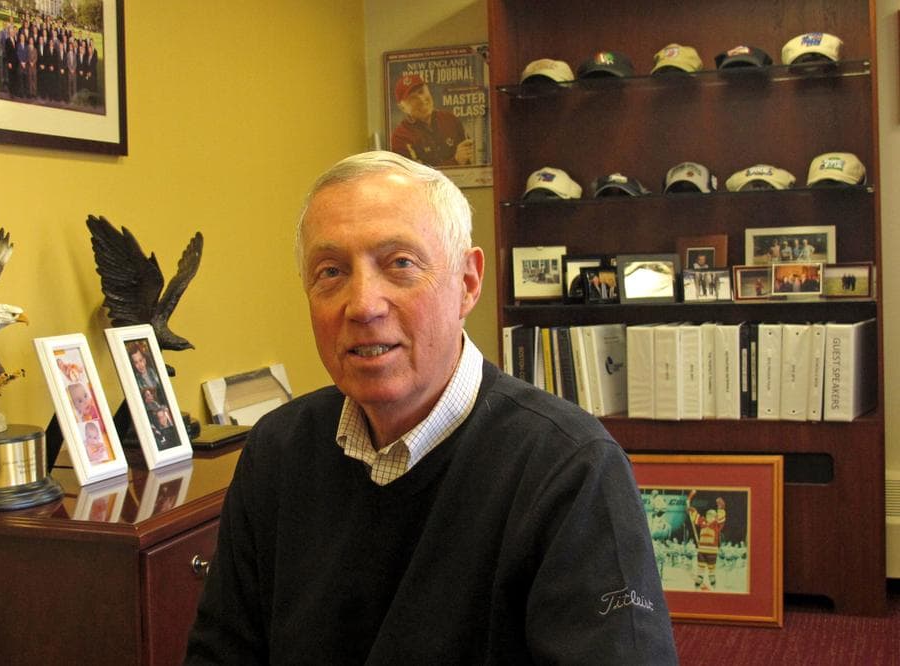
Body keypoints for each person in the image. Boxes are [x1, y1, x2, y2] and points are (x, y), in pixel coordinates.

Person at [186, 151, 677, 664]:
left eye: (400, 263)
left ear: (467, 283)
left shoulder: (571, 468)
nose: (363, 305)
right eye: (331, 271)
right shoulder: (277, 449)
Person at [389, 73, 474, 167]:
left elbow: (468, 163)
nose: (421, 100)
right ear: (402, 107)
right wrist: (455, 161)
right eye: (413, 98)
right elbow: (415, 177)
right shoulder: (400, 137)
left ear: (428, 90)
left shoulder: (450, 119)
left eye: (421, 92)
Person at [686, 489, 726, 591]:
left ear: (715, 517)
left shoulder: (716, 525)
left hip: (712, 552)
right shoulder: (702, 522)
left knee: (711, 571)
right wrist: (690, 509)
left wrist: (720, 506)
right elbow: (695, 516)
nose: (709, 517)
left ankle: (714, 585)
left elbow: (722, 517)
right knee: (700, 570)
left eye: (712, 515)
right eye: (708, 515)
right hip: (701, 551)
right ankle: (697, 585)